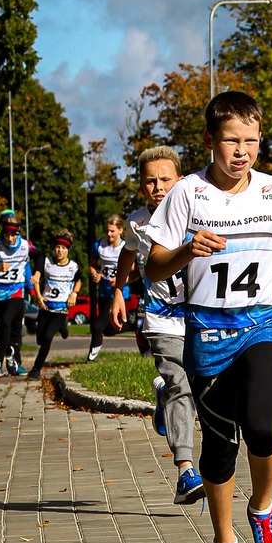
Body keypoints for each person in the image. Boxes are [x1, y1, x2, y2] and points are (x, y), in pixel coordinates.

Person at [144, 92, 272, 543]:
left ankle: (263, 510)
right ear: (211, 142)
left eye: (252, 141)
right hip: (208, 332)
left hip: (264, 321)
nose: (243, 152)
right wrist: (186, 250)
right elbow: (153, 268)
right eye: (232, 141)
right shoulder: (187, 195)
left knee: (262, 427)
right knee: (219, 448)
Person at [111, 147, 204, 505]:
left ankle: (162, 398)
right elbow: (127, 253)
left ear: (179, 180)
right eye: (150, 180)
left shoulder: (198, 211)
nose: (158, 187)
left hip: (200, 314)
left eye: (165, 179)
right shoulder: (137, 223)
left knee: (197, 387)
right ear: (141, 187)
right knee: (181, 385)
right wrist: (119, 291)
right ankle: (185, 471)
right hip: (162, 317)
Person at [0, 211, 33, 377]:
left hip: (16, 290)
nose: (10, 238)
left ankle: (13, 363)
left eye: (14, 233)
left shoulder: (23, 244)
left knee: (14, 326)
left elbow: (27, 264)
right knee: (0, 326)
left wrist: (30, 284)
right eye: (7, 232)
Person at [27, 229, 81, 375]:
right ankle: (63, 328)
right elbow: (36, 280)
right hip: (45, 306)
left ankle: (36, 369)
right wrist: (38, 296)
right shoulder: (46, 262)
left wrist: (74, 294)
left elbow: (79, 281)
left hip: (61, 309)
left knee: (47, 338)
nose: (60, 250)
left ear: (68, 250)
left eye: (63, 248)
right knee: (39, 339)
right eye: (57, 247)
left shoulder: (73, 267)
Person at [86, 213, 127, 361]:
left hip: (119, 293)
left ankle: (90, 359)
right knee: (109, 329)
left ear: (120, 230)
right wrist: (94, 274)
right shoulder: (99, 245)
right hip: (103, 291)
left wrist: (120, 280)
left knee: (97, 326)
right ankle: (134, 326)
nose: (109, 234)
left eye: (112, 231)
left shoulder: (125, 247)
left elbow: (132, 270)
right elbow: (91, 265)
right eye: (107, 231)